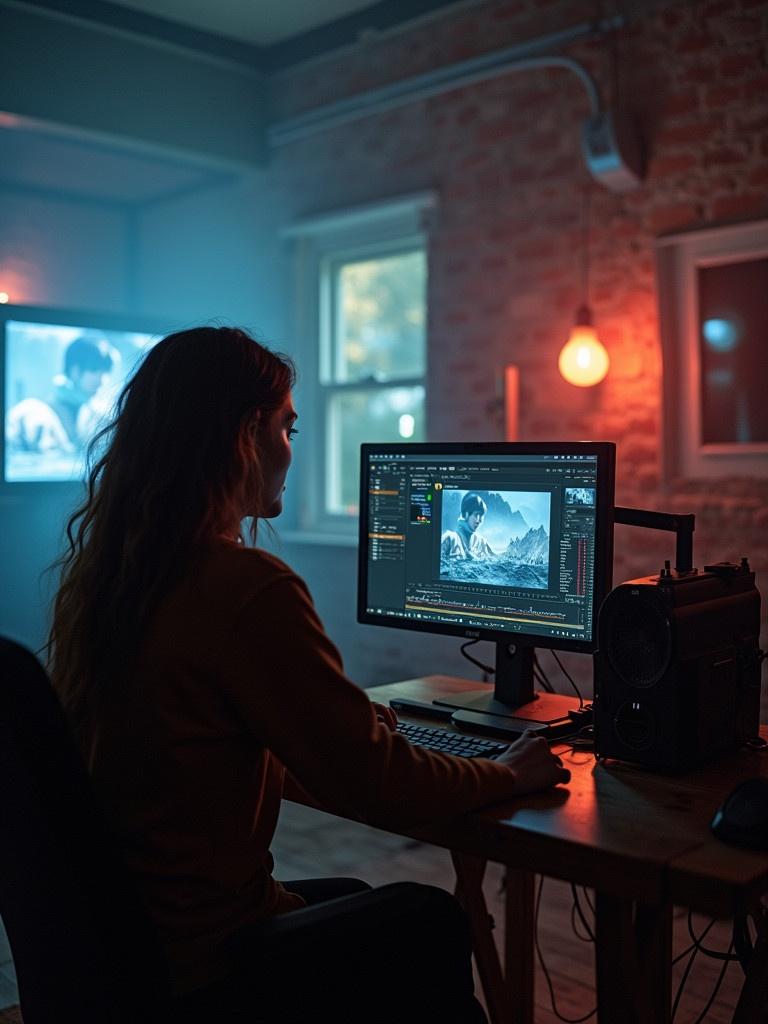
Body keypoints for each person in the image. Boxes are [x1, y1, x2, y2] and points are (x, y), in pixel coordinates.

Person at [47, 326, 568, 1022]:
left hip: (122, 951)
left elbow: (212, 740)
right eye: (287, 429)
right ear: (245, 434)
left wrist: (350, 735)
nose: (292, 451)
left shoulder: (117, 579)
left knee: (354, 893)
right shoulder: (244, 587)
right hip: (207, 964)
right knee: (426, 916)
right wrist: (510, 772)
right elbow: (381, 786)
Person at [6, 335, 117, 455]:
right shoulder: (32, 414)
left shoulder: (99, 417)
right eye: (94, 370)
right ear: (75, 371)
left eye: (106, 372)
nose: (102, 380)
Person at [441, 491, 497, 560]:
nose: (479, 520)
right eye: (476, 515)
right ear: (466, 514)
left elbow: (496, 559)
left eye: (481, 516)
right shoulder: (450, 538)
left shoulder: (481, 542)